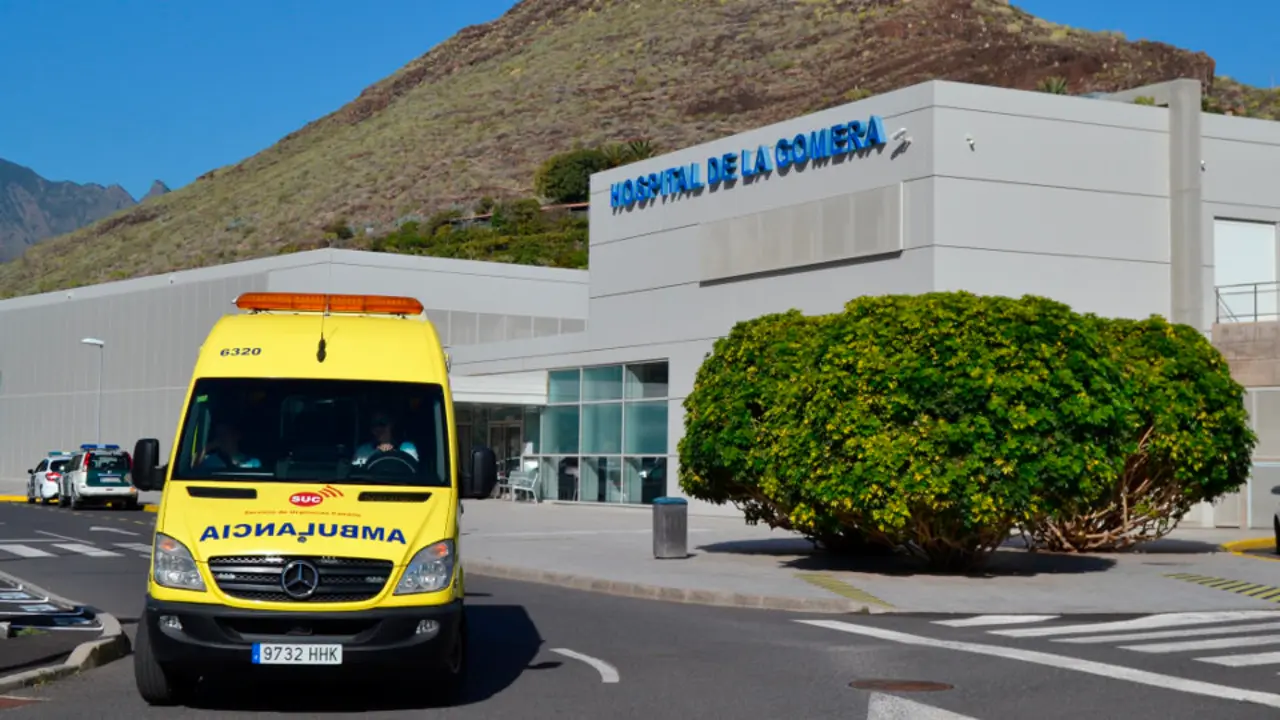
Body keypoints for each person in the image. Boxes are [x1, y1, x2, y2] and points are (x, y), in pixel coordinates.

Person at [352, 410, 418, 467]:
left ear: (391, 425)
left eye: (382, 423)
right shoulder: (363, 451)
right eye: (374, 424)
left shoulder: (407, 448)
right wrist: (378, 452)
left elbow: (413, 470)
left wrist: (391, 452)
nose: (378, 428)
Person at [197, 421, 261, 471]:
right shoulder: (210, 461)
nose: (222, 438)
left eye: (225, 434)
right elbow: (195, 472)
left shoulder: (253, 463)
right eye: (219, 434)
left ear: (237, 435)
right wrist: (206, 448)